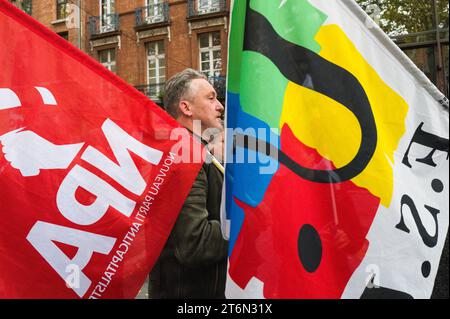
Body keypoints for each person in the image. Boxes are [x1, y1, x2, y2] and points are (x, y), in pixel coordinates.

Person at [148, 68, 228, 299]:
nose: (219, 105)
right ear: (186, 108)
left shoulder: (195, 153)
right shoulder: (184, 156)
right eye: (210, 98)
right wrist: (245, 222)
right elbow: (195, 242)